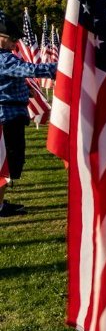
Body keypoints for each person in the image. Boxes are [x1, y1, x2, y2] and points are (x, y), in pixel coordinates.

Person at [0, 12, 56, 217]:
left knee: (8, 162)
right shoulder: (4, 59)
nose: (15, 43)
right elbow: (30, 69)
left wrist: (27, 91)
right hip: (7, 117)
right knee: (7, 162)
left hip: (9, 115)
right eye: (12, 39)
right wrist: (62, 68)